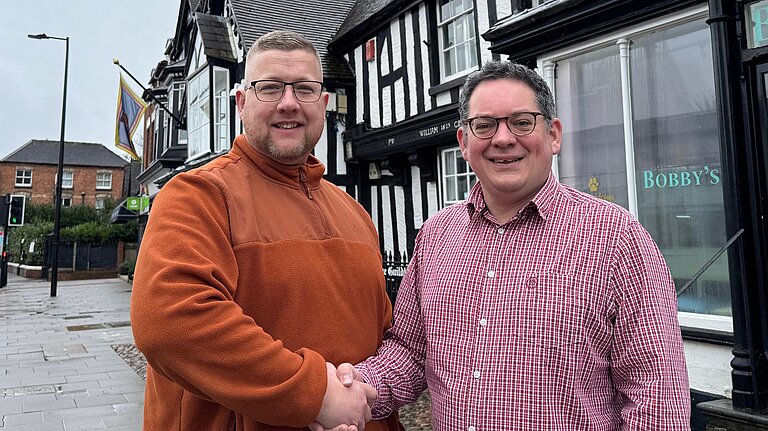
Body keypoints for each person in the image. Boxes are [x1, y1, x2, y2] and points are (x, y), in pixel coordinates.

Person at [328, 61, 690, 430]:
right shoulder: (436, 236)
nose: (502, 139)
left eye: (521, 121)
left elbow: (656, 395)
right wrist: (357, 388)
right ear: (464, 143)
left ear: (553, 135)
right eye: (484, 125)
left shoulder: (617, 238)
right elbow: (409, 352)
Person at [131, 30, 403, 431]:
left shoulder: (356, 214)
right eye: (270, 88)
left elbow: (381, 338)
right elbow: (170, 323)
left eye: (305, 89)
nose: (289, 103)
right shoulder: (198, 194)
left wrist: (361, 393)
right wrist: (317, 396)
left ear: (324, 103)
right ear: (241, 102)